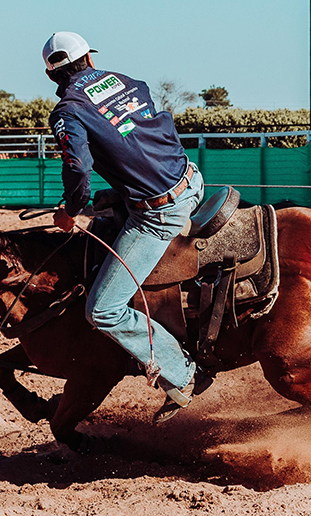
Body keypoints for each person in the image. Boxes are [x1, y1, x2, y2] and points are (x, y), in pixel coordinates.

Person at [42, 31, 208, 422]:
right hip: (191, 179)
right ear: (90, 59)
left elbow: (78, 168)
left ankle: (183, 374)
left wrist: (71, 210)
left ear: (51, 76)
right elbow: (137, 141)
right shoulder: (129, 82)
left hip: (159, 213)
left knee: (103, 309)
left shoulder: (67, 111)